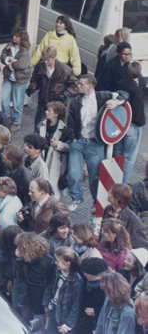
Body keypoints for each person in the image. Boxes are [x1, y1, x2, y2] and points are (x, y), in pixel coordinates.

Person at [66, 74, 127, 211]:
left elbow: (124, 94)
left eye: (82, 84)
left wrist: (117, 102)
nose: (78, 86)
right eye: (79, 84)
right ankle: (76, 198)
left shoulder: (103, 96)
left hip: (95, 143)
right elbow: (70, 121)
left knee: (95, 176)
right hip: (79, 141)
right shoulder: (76, 101)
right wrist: (73, 138)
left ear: (91, 86)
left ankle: (96, 201)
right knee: (73, 173)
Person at [42, 246, 83, 334]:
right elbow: (49, 288)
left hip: (64, 317)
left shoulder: (77, 281)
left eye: (58, 261)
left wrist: (68, 325)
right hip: (53, 310)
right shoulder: (57, 271)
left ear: (68, 263)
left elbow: (76, 305)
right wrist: (46, 303)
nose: (55, 263)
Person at [117, 61, 144, 183]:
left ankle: (114, 180)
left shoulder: (121, 83)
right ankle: (123, 183)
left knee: (119, 154)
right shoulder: (138, 84)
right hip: (134, 125)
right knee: (129, 158)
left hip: (122, 124)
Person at [0, 29, 32, 132]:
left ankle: (17, 122)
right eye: (14, 35)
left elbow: (21, 65)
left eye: (17, 36)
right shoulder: (9, 46)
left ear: (22, 38)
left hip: (20, 79)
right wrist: (9, 60)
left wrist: (10, 62)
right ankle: (7, 117)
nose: (14, 38)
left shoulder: (24, 50)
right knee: (4, 99)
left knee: (18, 103)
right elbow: (2, 56)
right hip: (9, 76)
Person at [103, 183, 148, 250]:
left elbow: (141, 246)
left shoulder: (132, 219)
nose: (108, 194)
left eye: (111, 193)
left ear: (117, 199)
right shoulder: (108, 209)